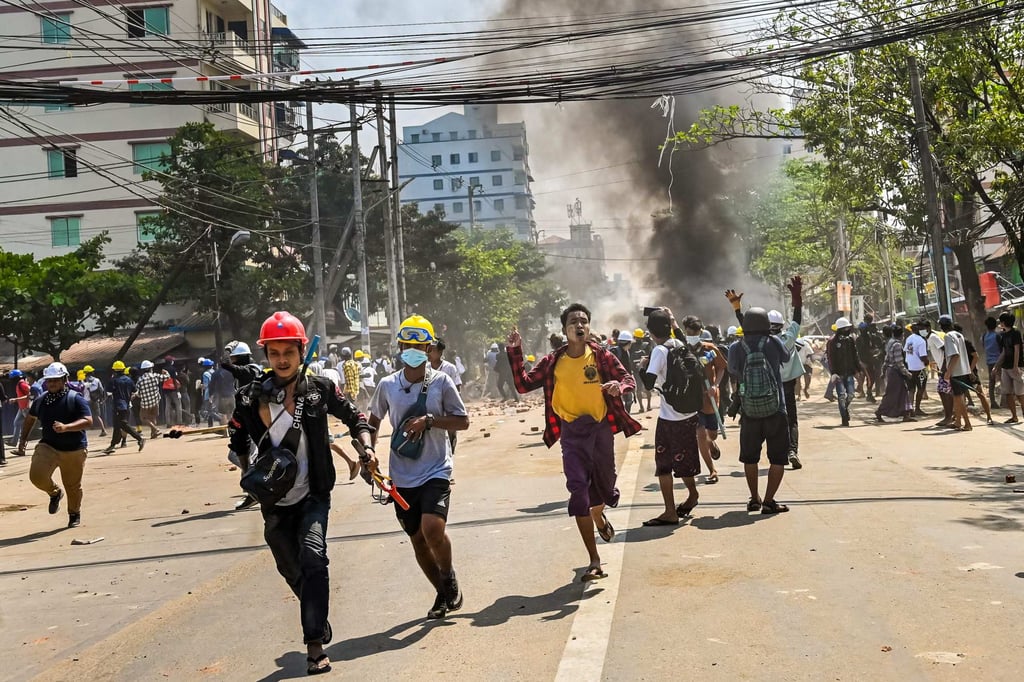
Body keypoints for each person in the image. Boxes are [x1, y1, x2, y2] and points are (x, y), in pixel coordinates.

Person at [228, 311, 375, 675]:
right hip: (274, 499)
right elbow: (236, 437)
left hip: (314, 493)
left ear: (300, 351)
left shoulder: (320, 388)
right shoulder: (250, 396)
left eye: (288, 352)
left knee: (313, 557)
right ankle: (316, 614)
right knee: (290, 568)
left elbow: (355, 417)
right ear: (266, 356)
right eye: (274, 353)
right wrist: (249, 465)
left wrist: (366, 448)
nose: (281, 360)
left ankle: (314, 645)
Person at [507, 303, 641, 581]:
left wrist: (621, 387)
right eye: (573, 322)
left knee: (605, 489)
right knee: (578, 491)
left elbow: (628, 378)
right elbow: (522, 385)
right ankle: (594, 560)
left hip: (601, 430)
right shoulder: (553, 361)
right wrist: (515, 352)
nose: (579, 325)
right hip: (571, 434)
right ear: (565, 330)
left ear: (589, 327)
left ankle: (599, 516)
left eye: (583, 321)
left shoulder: (602, 357)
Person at [367, 315, 469, 620]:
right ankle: (442, 593)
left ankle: (448, 575)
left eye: (419, 345)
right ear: (399, 347)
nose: (412, 349)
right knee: (417, 537)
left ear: (429, 348)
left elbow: (462, 420)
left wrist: (430, 420)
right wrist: (368, 449)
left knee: (432, 528)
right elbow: (372, 420)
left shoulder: (442, 381)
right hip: (401, 474)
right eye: (407, 345)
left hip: (437, 468)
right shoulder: (387, 385)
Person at [639, 309, 706, 526]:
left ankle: (670, 511)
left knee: (664, 465)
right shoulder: (679, 344)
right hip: (689, 414)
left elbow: (648, 383)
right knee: (684, 462)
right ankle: (692, 495)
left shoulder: (659, 350)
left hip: (670, 418)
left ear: (650, 331)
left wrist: (642, 368)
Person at [728, 307, 792, 514]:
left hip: (749, 410)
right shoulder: (773, 342)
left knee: (750, 457)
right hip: (776, 408)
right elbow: (786, 358)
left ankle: (754, 498)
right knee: (778, 457)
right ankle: (769, 501)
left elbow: (733, 370)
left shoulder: (736, 347)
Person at [15, 363, 92, 528]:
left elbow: (88, 420)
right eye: (49, 380)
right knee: (36, 476)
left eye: (56, 380)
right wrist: (23, 439)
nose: (52, 384)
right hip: (48, 446)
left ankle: (74, 514)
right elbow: (30, 419)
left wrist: (67, 427)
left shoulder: (75, 398)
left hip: (74, 448)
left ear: (65, 380)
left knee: (72, 486)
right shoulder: (41, 399)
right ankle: (55, 493)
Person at [102, 360, 145, 454]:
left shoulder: (114, 380)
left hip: (118, 405)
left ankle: (139, 438)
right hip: (126, 404)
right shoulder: (129, 380)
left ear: (115, 371)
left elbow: (109, 392)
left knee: (122, 424)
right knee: (117, 426)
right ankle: (113, 445)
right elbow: (134, 390)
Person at [826, 317, 862, 427]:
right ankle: (844, 418)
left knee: (851, 395)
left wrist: (858, 370)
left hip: (850, 372)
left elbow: (855, 355)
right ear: (841, 329)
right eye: (846, 328)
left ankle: (845, 409)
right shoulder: (832, 342)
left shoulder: (850, 340)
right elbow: (830, 358)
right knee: (841, 396)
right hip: (838, 374)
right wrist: (833, 372)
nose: (848, 329)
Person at [876, 325, 915, 422]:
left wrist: (883, 370)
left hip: (891, 371)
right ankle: (880, 411)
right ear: (902, 335)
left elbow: (886, 359)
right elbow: (899, 362)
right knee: (892, 394)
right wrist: (907, 373)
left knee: (902, 393)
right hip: (896, 372)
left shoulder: (890, 343)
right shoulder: (897, 345)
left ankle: (906, 414)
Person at [996, 312, 1024, 424]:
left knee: (1020, 393)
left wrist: (1016, 366)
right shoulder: (1003, 335)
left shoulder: (1015, 333)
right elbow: (1004, 351)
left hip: (1016, 367)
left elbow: (1017, 349)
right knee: (1007, 393)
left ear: (1003, 322)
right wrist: (997, 365)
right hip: (1005, 367)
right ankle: (1014, 416)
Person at [856, 314, 885, 402]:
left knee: (872, 377)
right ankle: (868, 393)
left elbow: (878, 347)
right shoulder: (860, 339)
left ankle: (869, 393)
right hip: (865, 361)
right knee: (870, 377)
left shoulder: (872, 338)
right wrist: (861, 361)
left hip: (871, 360)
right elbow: (860, 352)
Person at [609, 330, 636, 413]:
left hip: (626, 381)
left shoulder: (626, 352)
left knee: (629, 401)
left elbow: (628, 367)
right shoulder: (615, 351)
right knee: (620, 403)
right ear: (628, 343)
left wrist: (631, 377)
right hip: (617, 382)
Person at [136, 360, 163, 439]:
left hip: (145, 403)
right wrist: (166, 373)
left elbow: (138, 392)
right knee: (153, 417)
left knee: (143, 418)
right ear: (150, 368)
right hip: (155, 401)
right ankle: (153, 434)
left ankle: (155, 429)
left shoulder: (140, 380)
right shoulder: (155, 376)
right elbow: (167, 377)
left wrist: (138, 395)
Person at [629, 328, 652, 413]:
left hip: (636, 371)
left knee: (639, 389)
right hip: (645, 370)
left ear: (634, 337)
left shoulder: (631, 346)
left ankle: (642, 407)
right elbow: (650, 357)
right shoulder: (646, 345)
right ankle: (648, 406)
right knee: (647, 388)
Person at [7, 369, 32, 448]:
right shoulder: (19, 384)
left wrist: (15, 399)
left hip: (26, 408)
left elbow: (30, 395)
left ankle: (23, 445)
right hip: (22, 408)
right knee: (17, 423)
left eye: (12, 379)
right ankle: (14, 442)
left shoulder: (22, 384)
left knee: (28, 427)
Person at [981, 316, 1002, 409]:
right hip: (999, 361)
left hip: (989, 361)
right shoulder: (998, 335)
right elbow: (1002, 349)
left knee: (991, 382)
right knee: (1003, 380)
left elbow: (983, 347)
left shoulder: (984, 336)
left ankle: (993, 401)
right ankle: (1004, 401)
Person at [82, 365, 108, 437]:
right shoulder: (97, 380)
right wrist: (101, 399)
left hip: (85, 401)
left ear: (85, 373)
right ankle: (103, 430)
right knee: (97, 416)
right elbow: (102, 390)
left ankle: (83, 431)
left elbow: (81, 391)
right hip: (95, 400)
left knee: (85, 416)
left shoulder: (83, 381)